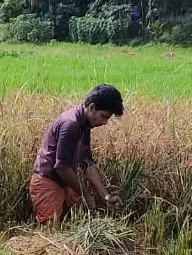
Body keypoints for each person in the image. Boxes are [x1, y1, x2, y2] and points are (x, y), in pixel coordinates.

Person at [29, 84, 125, 226]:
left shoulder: (85, 125)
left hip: (66, 182)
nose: (104, 122)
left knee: (78, 222)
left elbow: (87, 164)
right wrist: (85, 194)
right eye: (103, 116)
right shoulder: (70, 124)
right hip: (47, 181)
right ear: (91, 107)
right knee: (52, 232)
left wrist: (106, 196)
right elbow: (61, 167)